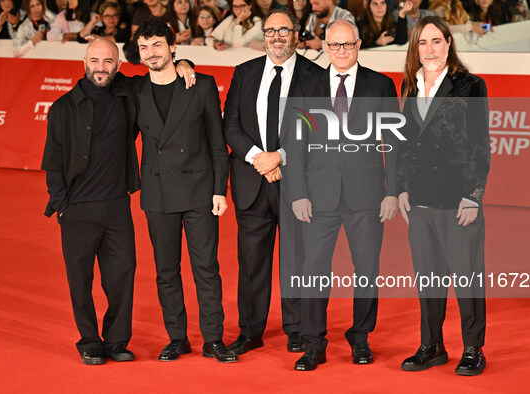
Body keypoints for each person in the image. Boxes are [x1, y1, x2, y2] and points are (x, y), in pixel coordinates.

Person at [287, 19, 400, 371]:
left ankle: (361, 338)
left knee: (366, 269)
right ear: (324, 45)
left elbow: (393, 144)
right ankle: (313, 343)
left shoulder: (381, 85)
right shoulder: (305, 85)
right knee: (314, 270)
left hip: (367, 195)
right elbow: (295, 142)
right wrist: (298, 193)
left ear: (359, 44)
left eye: (347, 45)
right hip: (317, 197)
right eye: (334, 45)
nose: (340, 51)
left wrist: (393, 191)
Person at [131, 18, 236, 363]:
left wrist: (220, 190)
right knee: (166, 270)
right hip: (157, 193)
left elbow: (217, 143)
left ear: (173, 46)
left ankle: (213, 339)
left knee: (206, 267)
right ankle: (177, 338)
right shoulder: (133, 90)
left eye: (157, 45)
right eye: (144, 48)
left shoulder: (201, 85)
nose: (150, 54)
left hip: (199, 190)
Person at [222, 8, 322, 356]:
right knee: (251, 262)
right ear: (262, 35)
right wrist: (259, 158)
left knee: (297, 259)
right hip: (252, 182)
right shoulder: (244, 73)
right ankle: (250, 330)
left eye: (284, 30)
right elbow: (230, 125)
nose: (276, 37)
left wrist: (280, 156)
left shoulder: (314, 75)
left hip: (297, 184)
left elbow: (318, 127)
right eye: (270, 31)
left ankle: (296, 328)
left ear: (297, 34)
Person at [396, 15, 490, 376]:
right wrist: (402, 186)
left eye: (436, 41)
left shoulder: (470, 85)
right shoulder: (409, 85)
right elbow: (404, 145)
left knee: (466, 277)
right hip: (419, 202)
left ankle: (473, 347)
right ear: (415, 49)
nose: (429, 49)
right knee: (428, 278)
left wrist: (473, 195)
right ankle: (431, 345)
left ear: (449, 43)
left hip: (457, 201)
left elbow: (481, 144)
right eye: (422, 42)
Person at [41, 38, 140, 365]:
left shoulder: (127, 96)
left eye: (108, 61)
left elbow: (156, 75)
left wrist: (186, 65)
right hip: (77, 209)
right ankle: (89, 340)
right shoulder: (63, 107)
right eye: (95, 60)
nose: (101, 67)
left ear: (118, 65)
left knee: (123, 273)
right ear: (84, 62)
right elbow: (53, 162)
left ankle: (115, 340)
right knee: (80, 279)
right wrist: (62, 205)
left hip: (116, 205)